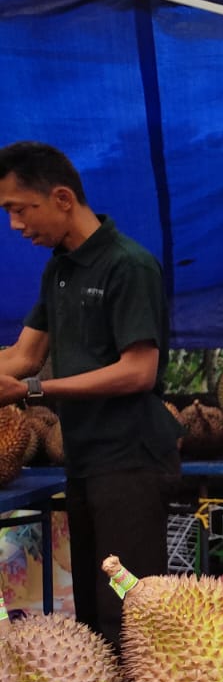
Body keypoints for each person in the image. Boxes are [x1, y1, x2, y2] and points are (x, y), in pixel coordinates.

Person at [0, 141, 179, 653]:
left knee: (132, 616)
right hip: (84, 462)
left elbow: (138, 371)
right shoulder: (58, 268)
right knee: (94, 617)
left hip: (130, 464)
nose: (14, 224)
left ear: (62, 198)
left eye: (20, 209)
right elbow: (24, 355)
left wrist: (34, 390)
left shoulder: (129, 265)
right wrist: (23, 379)